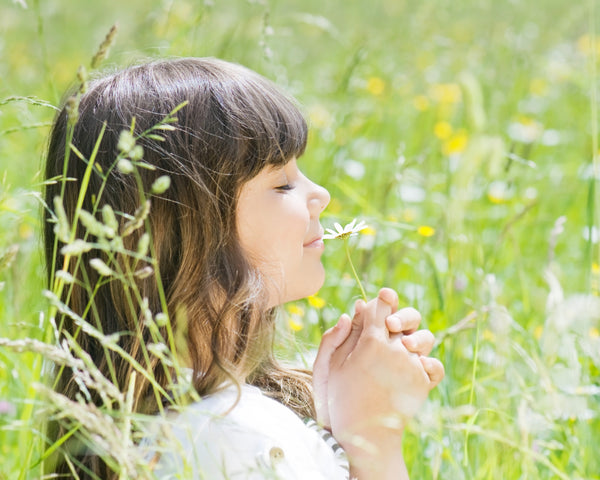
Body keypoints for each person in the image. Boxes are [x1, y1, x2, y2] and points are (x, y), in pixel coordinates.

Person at [43, 57, 444, 479]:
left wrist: (337, 420)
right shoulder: (239, 434)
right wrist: (373, 438)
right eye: (282, 183)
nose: (320, 194)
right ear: (189, 228)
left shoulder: (165, 418)